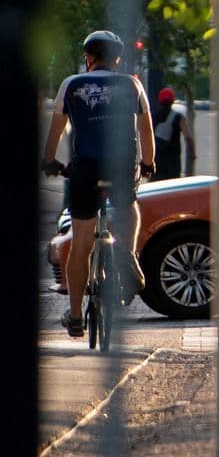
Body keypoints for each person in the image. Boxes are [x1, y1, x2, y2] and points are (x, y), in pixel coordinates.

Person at [41, 31, 157, 338]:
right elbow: (146, 130)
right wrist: (148, 163)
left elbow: (55, 131)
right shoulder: (132, 84)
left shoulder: (71, 84)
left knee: (81, 245)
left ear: (88, 58)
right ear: (117, 58)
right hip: (121, 166)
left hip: (85, 169)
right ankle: (128, 255)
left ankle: (76, 316)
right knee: (129, 202)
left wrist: (50, 161)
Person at [150, 87, 195, 181]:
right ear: (173, 100)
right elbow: (188, 137)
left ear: (160, 100)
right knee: (172, 191)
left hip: (156, 161)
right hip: (173, 163)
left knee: (155, 190)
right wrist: (192, 154)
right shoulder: (179, 117)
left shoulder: (153, 116)